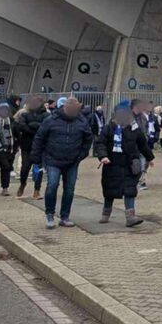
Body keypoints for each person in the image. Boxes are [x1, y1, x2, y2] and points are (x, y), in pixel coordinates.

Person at [30, 97, 93, 229]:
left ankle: (65, 216)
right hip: (53, 159)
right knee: (52, 185)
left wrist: (82, 155)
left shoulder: (81, 121)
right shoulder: (51, 120)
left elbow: (88, 138)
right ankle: (50, 214)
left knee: (69, 189)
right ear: (66, 107)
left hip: (72, 161)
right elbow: (39, 137)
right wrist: (36, 157)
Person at [94, 102, 155, 227]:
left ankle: (130, 217)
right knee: (110, 191)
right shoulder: (108, 128)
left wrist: (150, 158)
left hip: (130, 164)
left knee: (129, 190)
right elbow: (101, 143)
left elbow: (142, 144)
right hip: (112, 164)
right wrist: (103, 156)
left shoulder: (134, 128)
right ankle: (106, 213)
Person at [13, 95, 49, 198]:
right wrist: (35, 128)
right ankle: (22, 184)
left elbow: (46, 127)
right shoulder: (24, 114)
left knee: (39, 169)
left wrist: (32, 126)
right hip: (27, 145)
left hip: (41, 146)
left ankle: (37, 190)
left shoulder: (46, 115)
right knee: (25, 168)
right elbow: (21, 126)